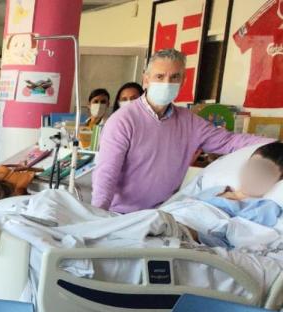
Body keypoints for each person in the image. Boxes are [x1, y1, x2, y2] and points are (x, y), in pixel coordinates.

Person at [92, 49, 271, 213]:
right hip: (121, 213)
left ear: (183, 81)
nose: (167, 83)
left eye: (174, 77)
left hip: (163, 213)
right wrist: (97, 216)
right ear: (146, 80)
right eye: (160, 77)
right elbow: (106, 174)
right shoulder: (123, 120)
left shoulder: (189, 122)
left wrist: (273, 144)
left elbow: (230, 142)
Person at [198, 141, 283, 229]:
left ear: (278, 180)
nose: (253, 176)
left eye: (264, 174)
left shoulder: (263, 208)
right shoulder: (217, 189)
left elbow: (243, 235)